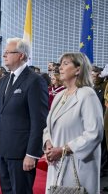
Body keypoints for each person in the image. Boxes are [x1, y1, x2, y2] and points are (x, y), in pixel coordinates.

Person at [0, 38, 48, 194]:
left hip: (22, 153)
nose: (4, 55)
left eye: (8, 52)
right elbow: (0, 115)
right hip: (3, 150)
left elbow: (39, 121)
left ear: (21, 55)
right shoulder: (3, 80)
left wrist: (32, 153)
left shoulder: (35, 81)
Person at [43, 52, 103, 194]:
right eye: (60, 64)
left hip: (78, 164)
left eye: (65, 64)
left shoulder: (87, 94)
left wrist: (64, 149)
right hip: (56, 162)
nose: (60, 68)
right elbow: (49, 127)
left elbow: (94, 133)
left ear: (78, 69)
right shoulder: (59, 96)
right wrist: (48, 143)